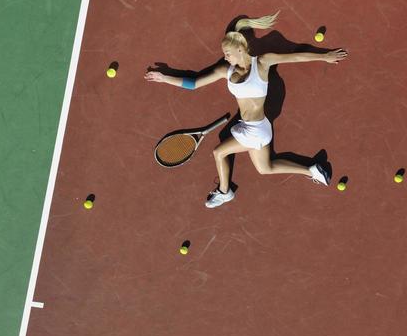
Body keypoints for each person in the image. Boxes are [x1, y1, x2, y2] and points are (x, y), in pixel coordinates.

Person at [144, 11, 348, 207]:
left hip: (255, 129)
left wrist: (325, 56)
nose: (225, 58)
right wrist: (164, 79)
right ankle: (312, 170)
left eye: (227, 54)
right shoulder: (226, 70)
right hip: (256, 127)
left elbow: (293, 57)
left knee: (219, 153)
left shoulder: (262, 62)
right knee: (265, 168)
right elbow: (194, 83)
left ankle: (225, 192)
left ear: (240, 50)